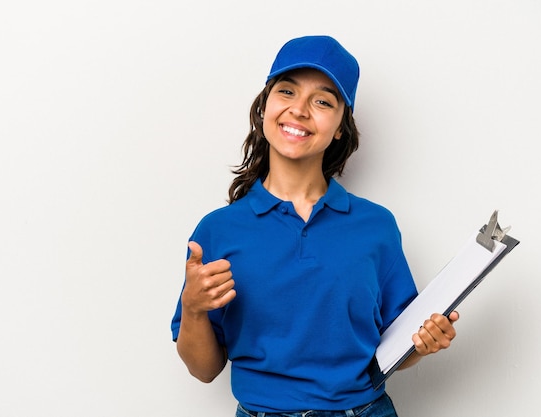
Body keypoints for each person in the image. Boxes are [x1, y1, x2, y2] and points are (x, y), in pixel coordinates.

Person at [171, 35, 459, 417]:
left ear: (341, 126)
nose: (300, 110)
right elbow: (204, 370)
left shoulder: (376, 226)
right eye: (286, 91)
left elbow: (394, 350)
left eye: (323, 101)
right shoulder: (219, 230)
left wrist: (420, 345)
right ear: (264, 109)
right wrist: (192, 309)